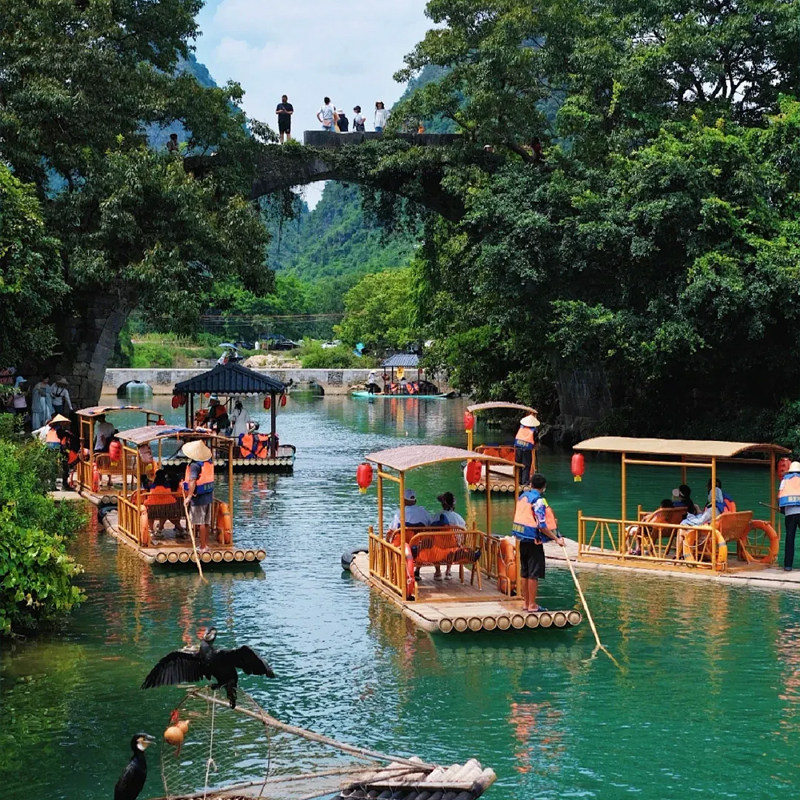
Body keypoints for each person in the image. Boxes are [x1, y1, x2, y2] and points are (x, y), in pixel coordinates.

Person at [512, 473, 565, 612]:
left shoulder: (522, 497)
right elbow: (541, 525)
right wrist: (556, 539)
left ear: (530, 484)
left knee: (525, 572)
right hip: (534, 542)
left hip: (522, 539)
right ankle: (532, 605)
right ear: (544, 487)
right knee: (533, 574)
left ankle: (525, 603)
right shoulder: (538, 501)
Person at [183, 439, 214, 551]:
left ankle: (202, 546)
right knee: (206, 522)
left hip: (199, 497)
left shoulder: (195, 465)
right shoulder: (208, 462)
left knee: (200, 521)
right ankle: (205, 544)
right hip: (208, 495)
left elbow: (192, 481)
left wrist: (189, 497)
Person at [433, 491, 466, 580]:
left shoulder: (437, 516)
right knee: (452, 543)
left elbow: (431, 528)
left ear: (443, 505)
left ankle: (438, 571)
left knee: (433, 543)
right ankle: (448, 571)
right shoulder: (459, 518)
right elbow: (462, 535)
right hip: (454, 547)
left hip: (439, 547)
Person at [779, 461, 800, 571]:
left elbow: (781, 496)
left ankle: (788, 566)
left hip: (790, 513)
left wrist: (782, 510)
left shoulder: (785, 480)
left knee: (789, 539)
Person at [514, 413, 540, 486]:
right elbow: (536, 440)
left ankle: (518, 481)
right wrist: (536, 446)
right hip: (527, 448)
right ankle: (525, 482)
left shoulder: (521, 428)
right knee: (526, 465)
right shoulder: (534, 430)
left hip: (518, 447)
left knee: (518, 464)